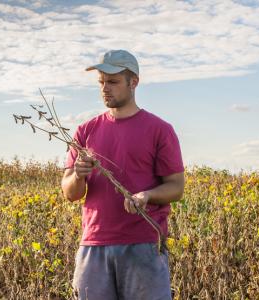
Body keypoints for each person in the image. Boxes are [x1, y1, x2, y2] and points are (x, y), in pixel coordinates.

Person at [61, 49, 185, 299]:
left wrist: (146, 196)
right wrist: (78, 175)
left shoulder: (159, 130)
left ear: (134, 82)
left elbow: (176, 187)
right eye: (102, 82)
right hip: (93, 245)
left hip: (143, 244)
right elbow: (70, 193)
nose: (105, 88)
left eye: (113, 82)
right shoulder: (85, 131)